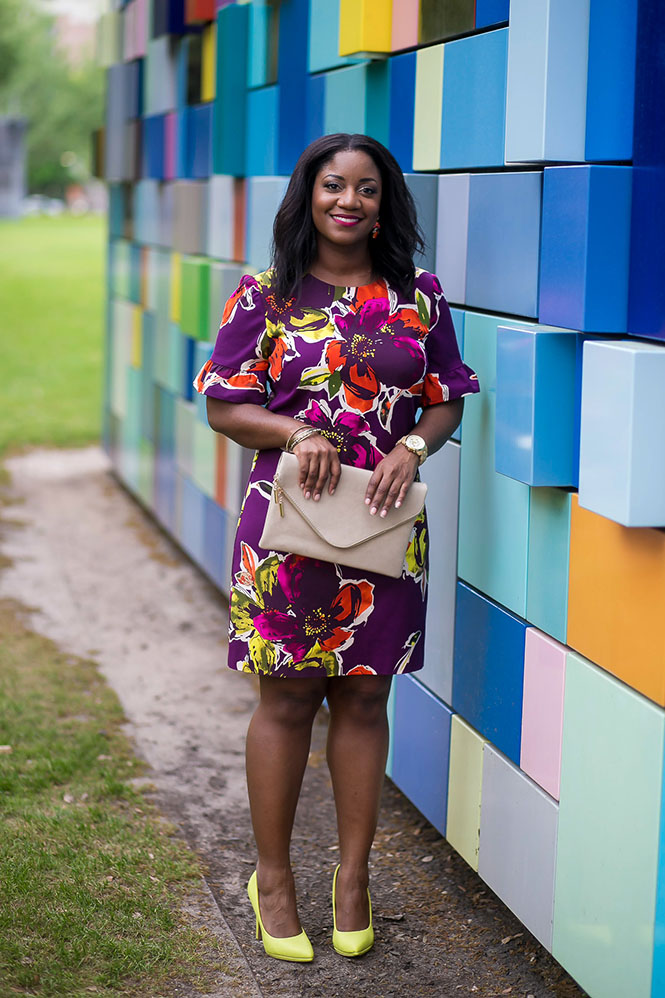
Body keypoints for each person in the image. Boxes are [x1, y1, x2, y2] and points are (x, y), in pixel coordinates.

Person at [193, 133, 480, 963]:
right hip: (284, 535)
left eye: (366, 188)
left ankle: (350, 880)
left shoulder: (415, 298)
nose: (348, 201)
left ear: (384, 202)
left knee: (362, 700)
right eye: (333, 186)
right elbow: (222, 404)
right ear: (307, 197)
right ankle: (273, 881)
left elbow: (446, 398)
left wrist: (412, 449)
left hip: (385, 527)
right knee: (284, 702)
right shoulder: (265, 295)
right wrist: (295, 431)